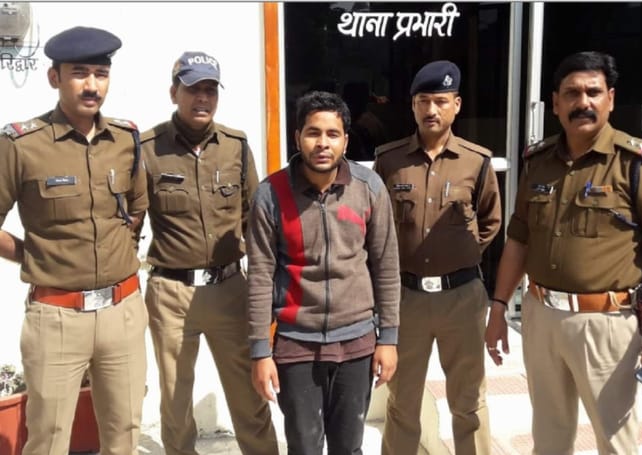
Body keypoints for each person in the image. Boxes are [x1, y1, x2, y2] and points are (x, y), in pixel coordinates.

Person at [485, 51, 642, 454]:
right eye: (572, 93)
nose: (582, 102)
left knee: (614, 441)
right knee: (549, 438)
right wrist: (498, 308)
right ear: (555, 103)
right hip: (540, 316)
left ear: (610, 99)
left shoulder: (640, 163)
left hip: (606, 324)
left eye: (593, 92)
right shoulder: (538, 161)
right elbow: (519, 240)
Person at [0, 26, 148, 455]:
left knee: (125, 433)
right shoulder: (21, 145)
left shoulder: (125, 139)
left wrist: (121, 253)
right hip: (57, 316)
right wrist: (34, 255)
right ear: (55, 78)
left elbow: (137, 209)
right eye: (79, 73)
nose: (92, 85)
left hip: (122, 311)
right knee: (48, 439)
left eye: (101, 74)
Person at [246, 90, 401, 455]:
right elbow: (259, 277)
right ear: (297, 136)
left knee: (349, 446)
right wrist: (259, 351)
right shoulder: (271, 195)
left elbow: (386, 266)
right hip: (296, 344)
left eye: (333, 134)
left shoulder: (368, 188)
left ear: (346, 139)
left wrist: (389, 338)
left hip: (357, 342)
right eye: (313, 132)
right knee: (304, 446)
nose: (322, 143)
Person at [140, 51, 278, 455]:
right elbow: (130, 221)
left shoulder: (236, 146)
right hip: (171, 293)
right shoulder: (147, 148)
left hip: (229, 287)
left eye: (210, 90)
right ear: (174, 93)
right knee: (175, 398)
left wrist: (267, 287)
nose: (202, 98)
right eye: (193, 89)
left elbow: (255, 220)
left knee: (249, 394)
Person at [374, 60, 501, 455]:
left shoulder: (477, 161)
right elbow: (376, 226)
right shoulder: (389, 161)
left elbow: (490, 221)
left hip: (461, 298)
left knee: (469, 402)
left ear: (456, 105)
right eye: (423, 101)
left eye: (441, 101)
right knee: (403, 403)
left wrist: (457, 255)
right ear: (413, 106)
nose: (432, 110)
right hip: (406, 298)